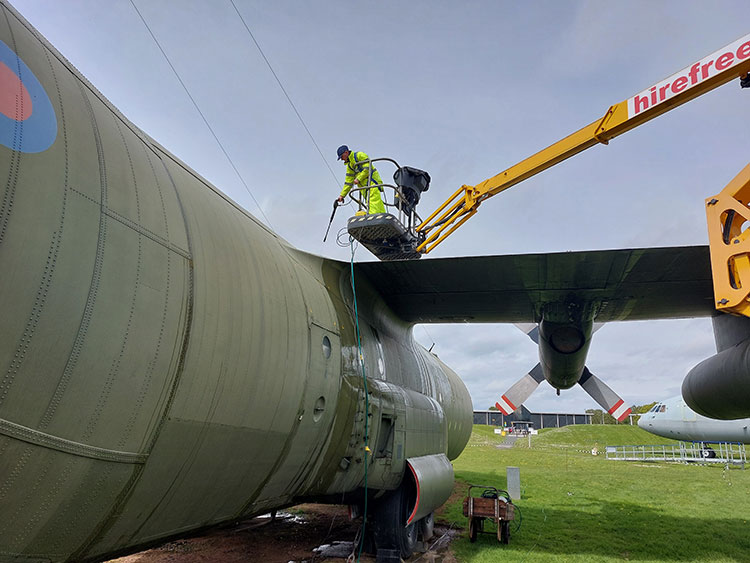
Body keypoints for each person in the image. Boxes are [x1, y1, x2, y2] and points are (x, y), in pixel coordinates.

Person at [335, 145, 386, 214]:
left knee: (373, 202)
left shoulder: (359, 155)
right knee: (375, 204)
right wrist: (342, 195)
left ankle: (373, 219)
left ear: (346, 152)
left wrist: (358, 179)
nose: (342, 159)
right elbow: (348, 183)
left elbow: (368, 168)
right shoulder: (350, 166)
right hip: (364, 188)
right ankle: (382, 217)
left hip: (372, 183)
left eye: (342, 157)